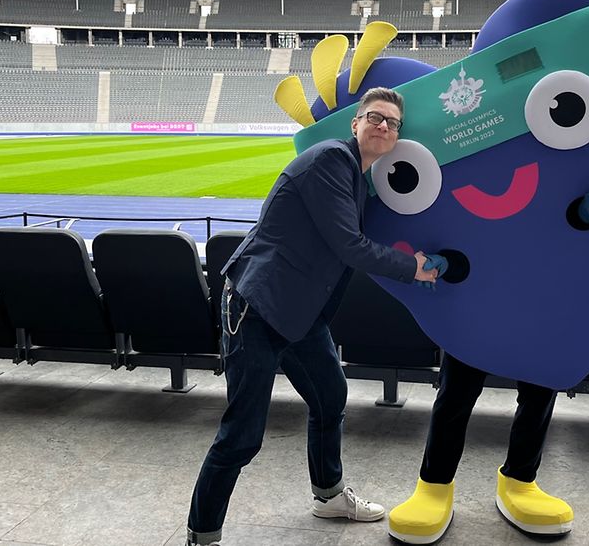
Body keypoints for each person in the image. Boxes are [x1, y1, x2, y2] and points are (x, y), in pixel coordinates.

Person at [185, 87, 446, 546]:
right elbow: (349, 245)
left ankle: (328, 496)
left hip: (299, 313)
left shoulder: (355, 177)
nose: (383, 126)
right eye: (374, 117)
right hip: (257, 308)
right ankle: (201, 536)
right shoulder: (331, 160)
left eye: (392, 123)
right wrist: (414, 268)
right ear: (356, 123)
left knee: (330, 395)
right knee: (242, 436)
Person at [388, 187, 589, 545]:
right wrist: (447, 263)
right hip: (477, 305)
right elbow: (463, 223)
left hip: (541, 298)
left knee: (539, 392)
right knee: (456, 395)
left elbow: (552, 215)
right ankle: (434, 484)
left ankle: (520, 480)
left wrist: (581, 216)